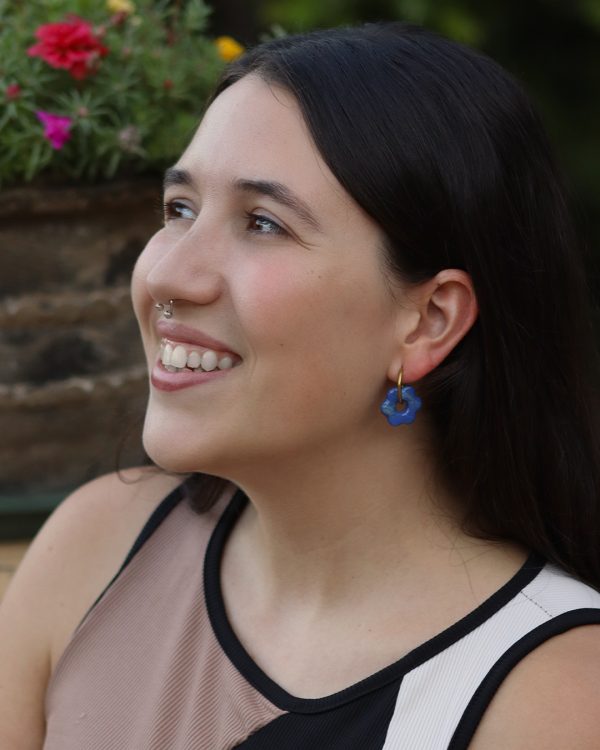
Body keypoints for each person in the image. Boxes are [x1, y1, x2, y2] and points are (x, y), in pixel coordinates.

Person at [2, 22, 600, 749]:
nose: (165, 274)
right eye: (179, 208)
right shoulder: (96, 549)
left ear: (428, 321)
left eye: (262, 223)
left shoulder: (551, 693)